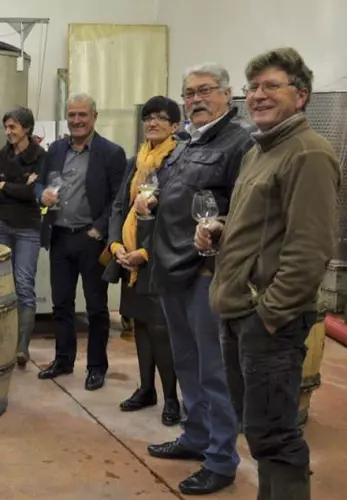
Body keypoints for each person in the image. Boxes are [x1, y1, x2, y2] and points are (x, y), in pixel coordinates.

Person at [203, 48, 340, 500]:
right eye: (253, 87)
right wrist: (220, 232)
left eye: (270, 86)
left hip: (266, 321)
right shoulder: (258, 151)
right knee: (258, 429)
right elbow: (263, 228)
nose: (258, 95)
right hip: (239, 312)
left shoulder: (309, 154)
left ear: (301, 96)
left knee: (276, 438)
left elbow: (310, 249)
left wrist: (268, 314)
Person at [138, 63, 254, 495]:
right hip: (172, 266)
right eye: (188, 94)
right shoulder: (185, 141)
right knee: (186, 362)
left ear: (227, 95)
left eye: (205, 91)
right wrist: (151, 206)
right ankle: (195, 436)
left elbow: (243, 210)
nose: (195, 99)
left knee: (214, 370)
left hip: (207, 269)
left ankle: (222, 459)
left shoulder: (240, 143)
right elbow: (169, 192)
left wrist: (217, 228)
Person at [35, 92, 126, 391]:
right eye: (72, 115)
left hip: (91, 239)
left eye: (82, 115)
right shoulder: (57, 149)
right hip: (60, 236)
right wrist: (41, 195)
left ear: (94, 117)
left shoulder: (111, 153)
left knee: (97, 308)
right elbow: (40, 183)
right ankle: (63, 360)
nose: (77, 121)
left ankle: (96, 367)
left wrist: (99, 229)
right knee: (61, 304)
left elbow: (118, 198)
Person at [105, 96, 181, 426]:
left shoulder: (178, 160)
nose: (153, 123)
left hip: (158, 258)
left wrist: (146, 252)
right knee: (140, 327)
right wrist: (116, 243)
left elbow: (175, 215)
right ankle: (146, 388)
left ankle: (171, 399)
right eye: (148, 117)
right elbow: (119, 206)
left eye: (161, 118)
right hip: (129, 258)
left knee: (161, 329)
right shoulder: (135, 161)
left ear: (175, 126)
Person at [0, 106, 46, 366]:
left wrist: (5, 186)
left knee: (23, 284)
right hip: (0, 224)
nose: (8, 132)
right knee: (0, 285)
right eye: (6, 127)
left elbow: (34, 193)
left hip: (28, 228)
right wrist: (19, 186)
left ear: (27, 129)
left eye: (13, 127)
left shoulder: (41, 157)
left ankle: (22, 346)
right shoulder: (0, 156)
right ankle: (2, 341)